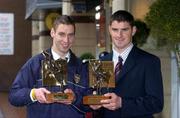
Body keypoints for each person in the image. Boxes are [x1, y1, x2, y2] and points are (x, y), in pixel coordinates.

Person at [9, 15, 88, 118]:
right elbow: (14, 96)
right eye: (61, 34)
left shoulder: (82, 67)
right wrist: (34, 94)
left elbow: (91, 104)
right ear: (52, 33)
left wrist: (75, 98)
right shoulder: (35, 64)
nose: (66, 40)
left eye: (70, 35)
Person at [90, 10, 164, 118]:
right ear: (109, 30)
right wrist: (94, 105)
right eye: (115, 30)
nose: (119, 35)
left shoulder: (149, 62)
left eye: (124, 30)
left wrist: (122, 103)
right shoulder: (100, 63)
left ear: (133, 30)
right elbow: (96, 104)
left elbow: (156, 103)